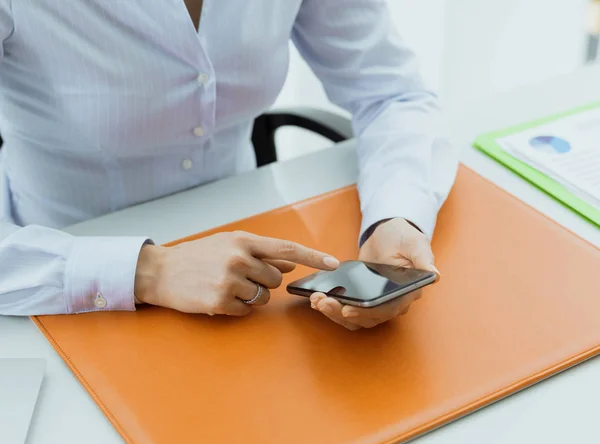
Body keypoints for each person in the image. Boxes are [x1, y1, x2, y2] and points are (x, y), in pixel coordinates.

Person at [0, 0, 458, 330]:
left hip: (252, 278)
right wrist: (149, 271)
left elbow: (392, 93)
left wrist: (394, 216)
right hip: (56, 281)